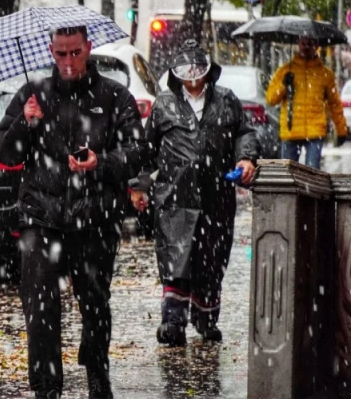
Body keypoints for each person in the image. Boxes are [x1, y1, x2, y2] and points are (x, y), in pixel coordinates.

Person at [0, 26, 144, 399]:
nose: (67, 61)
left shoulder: (114, 96)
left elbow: (139, 153)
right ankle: (46, 386)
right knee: (40, 302)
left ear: (88, 48)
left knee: (95, 300)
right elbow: (5, 153)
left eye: (74, 52)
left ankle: (96, 371)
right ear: (50, 51)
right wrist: (25, 123)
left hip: (94, 216)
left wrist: (101, 163)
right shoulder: (33, 94)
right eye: (60, 54)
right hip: (41, 217)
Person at [130, 39, 259, 347]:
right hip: (175, 196)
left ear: (208, 71)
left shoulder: (226, 101)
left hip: (216, 196)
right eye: (185, 71)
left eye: (197, 70)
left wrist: (246, 157)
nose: (192, 77)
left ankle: (206, 317)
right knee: (176, 258)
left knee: (211, 260)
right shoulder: (164, 104)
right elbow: (147, 149)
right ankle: (172, 321)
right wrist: (138, 185)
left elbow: (245, 132)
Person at [265, 36, 347, 169]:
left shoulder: (325, 74)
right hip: (291, 130)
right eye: (303, 43)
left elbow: (335, 104)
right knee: (288, 174)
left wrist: (341, 129)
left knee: (312, 173)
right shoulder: (286, 71)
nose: (306, 46)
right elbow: (271, 99)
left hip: (315, 131)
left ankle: (309, 190)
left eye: (311, 43)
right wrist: (284, 85)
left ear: (317, 46)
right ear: (298, 44)